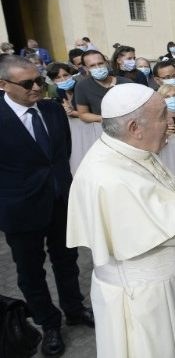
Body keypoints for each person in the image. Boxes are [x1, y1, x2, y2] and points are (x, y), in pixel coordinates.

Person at [66, 83, 175, 357]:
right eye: (162, 116)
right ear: (135, 128)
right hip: (152, 302)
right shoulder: (111, 177)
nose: (170, 121)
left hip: (170, 288)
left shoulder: (129, 151)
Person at [0, 56, 94, 356]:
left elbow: (60, 155)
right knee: (31, 272)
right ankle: (49, 323)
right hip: (20, 211)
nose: (38, 87)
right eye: (28, 84)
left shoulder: (52, 110)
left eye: (40, 80)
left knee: (67, 261)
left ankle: (75, 309)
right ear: (3, 85)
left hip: (60, 202)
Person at [75, 50, 134, 123]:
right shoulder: (82, 86)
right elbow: (83, 114)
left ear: (106, 63)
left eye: (100, 63)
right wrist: (105, 119)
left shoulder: (126, 83)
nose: (98, 68)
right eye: (92, 65)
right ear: (86, 68)